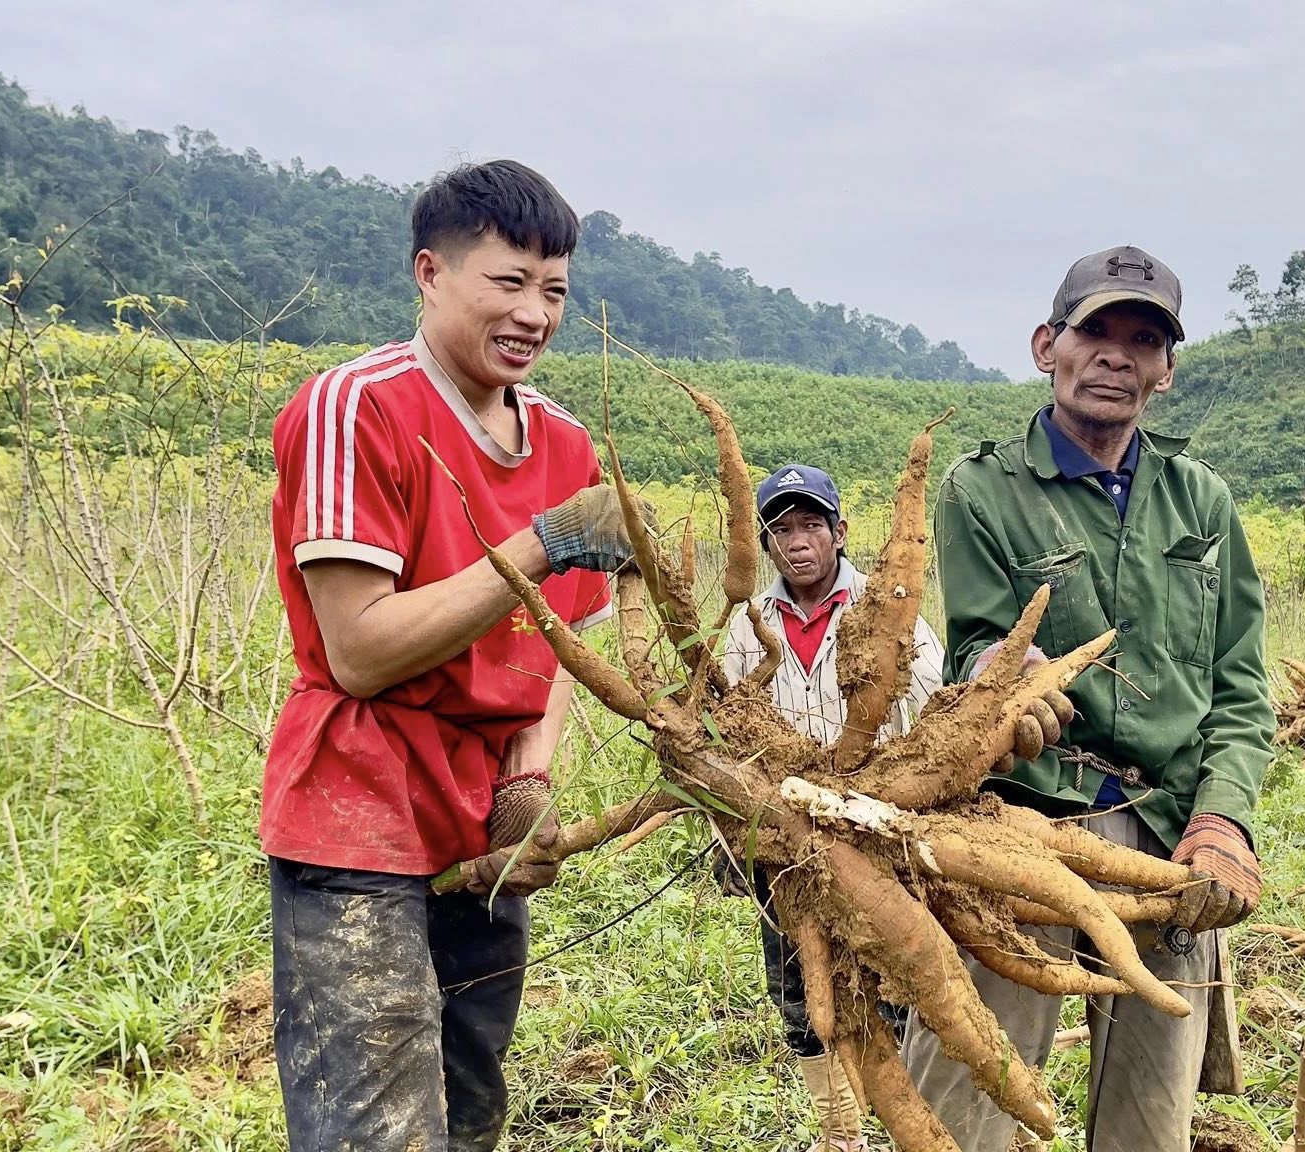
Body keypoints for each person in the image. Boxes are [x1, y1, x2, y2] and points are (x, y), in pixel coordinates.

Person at [261, 160, 638, 1152]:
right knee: (374, 1123)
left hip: (482, 814)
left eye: (553, 290)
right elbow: (360, 653)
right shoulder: (357, 405)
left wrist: (534, 774)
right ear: (430, 273)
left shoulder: (563, 439)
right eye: (506, 282)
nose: (534, 313)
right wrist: (535, 545)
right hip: (363, 801)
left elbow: (563, 643)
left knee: (468, 1101)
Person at [905, 245, 1276, 1149]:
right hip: (1023, 821)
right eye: (1095, 331)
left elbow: (1241, 683)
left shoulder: (1204, 501)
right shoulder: (982, 488)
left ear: (1166, 371)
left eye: (1143, 339)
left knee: (1150, 1122)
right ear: (1048, 346)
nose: (1117, 355)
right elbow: (976, 642)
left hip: (1169, 833)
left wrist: (1224, 819)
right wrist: (1008, 688)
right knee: (969, 1097)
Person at [718, 463, 944, 1152]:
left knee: (891, 980)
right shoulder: (745, 623)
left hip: (875, 832)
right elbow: (727, 727)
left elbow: (932, 713)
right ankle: (839, 1132)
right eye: (781, 530)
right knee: (799, 989)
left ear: (840, 531)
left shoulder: (886, 609)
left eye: (811, 524)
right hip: (784, 843)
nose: (797, 542)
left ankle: (895, 1121)